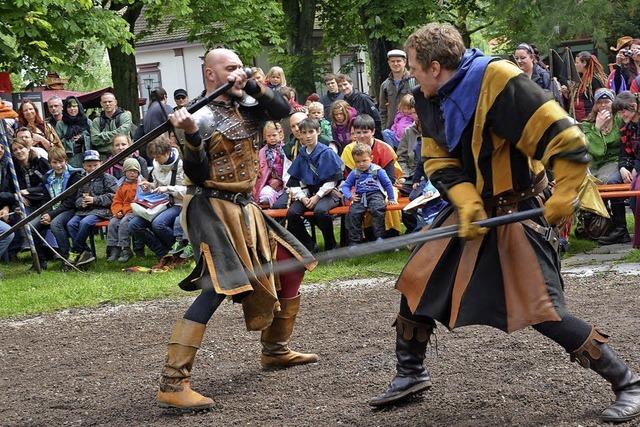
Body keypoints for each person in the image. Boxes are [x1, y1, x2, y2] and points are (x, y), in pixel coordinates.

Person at [369, 23, 640, 425]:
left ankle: (628, 383)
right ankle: (411, 373)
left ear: (437, 66)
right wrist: (463, 199)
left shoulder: (500, 81)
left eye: (414, 66)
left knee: (543, 309)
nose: (410, 73)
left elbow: (563, 135)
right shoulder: (429, 96)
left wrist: (566, 192)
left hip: (520, 208)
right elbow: (437, 157)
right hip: (475, 206)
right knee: (418, 281)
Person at [156, 48, 317, 410]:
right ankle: (173, 380)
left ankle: (275, 350)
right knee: (218, 286)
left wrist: (255, 86)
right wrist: (192, 135)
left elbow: (283, 111)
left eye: (240, 67)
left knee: (290, 261)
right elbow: (195, 173)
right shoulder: (197, 114)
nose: (238, 72)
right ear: (211, 75)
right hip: (209, 207)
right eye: (230, 68)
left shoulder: (246, 105)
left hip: (245, 205)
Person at [286, 118, 343, 252]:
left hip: (328, 193)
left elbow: (332, 180)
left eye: (311, 132)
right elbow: (294, 181)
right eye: (304, 132)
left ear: (318, 131)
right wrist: (302, 198)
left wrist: (317, 197)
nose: (308, 136)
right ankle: (309, 245)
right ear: (299, 135)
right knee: (292, 213)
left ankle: (331, 245)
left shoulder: (327, 152)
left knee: (320, 211)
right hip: (308, 194)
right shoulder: (301, 155)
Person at [341, 114, 403, 239]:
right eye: (358, 132)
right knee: (354, 202)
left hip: (384, 187)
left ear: (373, 131)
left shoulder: (384, 148)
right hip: (358, 188)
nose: (362, 135)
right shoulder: (348, 150)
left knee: (385, 201)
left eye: (365, 132)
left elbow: (390, 179)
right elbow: (347, 177)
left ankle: (391, 234)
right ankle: (360, 237)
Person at [128, 135, 185, 261]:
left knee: (158, 224)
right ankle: (163, 253)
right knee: (133, 225)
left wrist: (168, 188)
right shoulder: (156, 164)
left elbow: (188, 191)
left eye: (158, 157)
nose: (156, 160)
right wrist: (149, 185)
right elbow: (157, 185)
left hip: (179, 204)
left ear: (167, 152)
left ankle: (181, 252)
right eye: (154, 157)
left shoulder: (181, 164)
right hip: (161, 203)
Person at [581, 88, 626, 244]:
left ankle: (619, 228)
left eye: (606, 102)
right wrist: (597, 128)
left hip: (615, 161)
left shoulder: (620, 119)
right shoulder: (588, 124)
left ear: (613, 103)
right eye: (599, 102)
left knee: (607, 181)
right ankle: (599, 225)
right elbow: (592, 150)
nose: (603, 105)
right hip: (595, 165)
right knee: (587, 182)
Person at [30, 146, 83, 270]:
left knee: (55, 224)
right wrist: (46, 214)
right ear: (50, 163)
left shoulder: (74, 176)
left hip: (68, 210)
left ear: (66, 161)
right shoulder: (46, 178)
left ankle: (66, 258)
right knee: (32, 226)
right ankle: (40, 261)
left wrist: (51, 215)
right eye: (55, 162)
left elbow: (70, 202)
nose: (58, 165)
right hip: (51, 210)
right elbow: (45, 200)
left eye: (61, 162)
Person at [67, 150, 118, 267]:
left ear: (101, 163)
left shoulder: (108, 178)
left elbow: (114, 196)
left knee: (85, 223)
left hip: (102, 211)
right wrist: (82, 203)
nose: (93, 168)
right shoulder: (82, 179)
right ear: (84, 166)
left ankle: (74, 251)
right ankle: (87, 252)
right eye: (89, 166)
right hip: (84, 211)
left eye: (95, 165)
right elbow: (77, 198)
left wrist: (95, 200)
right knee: (71, 224)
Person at [341, 143, 396, 244]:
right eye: (357, 162)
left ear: (371, 158)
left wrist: (391, 198)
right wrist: (349, 196)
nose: (361, 164)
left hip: (376, 194)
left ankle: (380, 237)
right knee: (353, 214)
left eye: (364, 161)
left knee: (377, 210)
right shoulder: (354, 173)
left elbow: (388, 184)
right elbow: (345, 186)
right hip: (360, 197)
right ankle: (355, 241)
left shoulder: (378, 171)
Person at [107, 158, 140, 263]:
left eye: (135, 171)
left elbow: (141, 201)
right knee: (112, 223)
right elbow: (117, 201)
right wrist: (118, 211)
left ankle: (125, 249)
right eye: (129, 171)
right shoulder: (121, 186)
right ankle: (114, 248)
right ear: (124, 172)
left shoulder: (140, 185)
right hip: (123, 211)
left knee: (124, 223)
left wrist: (126, 211)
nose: (132, 173)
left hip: (134, 211)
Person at [336, 74, 383, 138]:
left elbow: (377, 119)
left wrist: (374, 136)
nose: (343, 88)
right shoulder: (343, 101)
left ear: (351, 84)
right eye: (340, 86)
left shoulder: (363, 98)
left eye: (345, 84)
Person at [254, 121, 288, 207]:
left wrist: (280, 181)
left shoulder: (286, 149)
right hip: (270, 184)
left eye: (274, 135)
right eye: (269, 136)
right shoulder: (262, 152)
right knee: (265, 197)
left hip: (284, 183)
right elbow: (262, 172)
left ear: (280, 134)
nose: (272, 138)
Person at [379, 49, 416, 130]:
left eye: (398, 61)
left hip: (411, 129)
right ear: (389, 63)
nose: (395, 64)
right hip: (391, 130)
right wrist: (384, 128)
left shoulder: (414, 80)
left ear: (404, 62)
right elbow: (382, 110)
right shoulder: (385, 85)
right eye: (392, 61)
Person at [567, 51, 608, 122]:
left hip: (589, 120)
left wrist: (593, 116)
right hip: (577, 120)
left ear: (584, 63)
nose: (574, 65)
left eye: (577, 62)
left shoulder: (594, 80)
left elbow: (600, 100)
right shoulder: (579, 79)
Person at [90, 92, 133, 160]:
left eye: (110, 101)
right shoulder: (96, 121)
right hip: (104, 158)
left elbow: (123, 133)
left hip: (124, 156)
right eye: (105, 102)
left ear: (115, 102)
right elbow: (95, 140)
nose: (107, 104)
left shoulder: (125, 116)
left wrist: (103, 136)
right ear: (101, 104)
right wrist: (116, 138)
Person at [55, 96, 92, 167]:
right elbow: (57, 143)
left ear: (79, 107)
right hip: (70, 159)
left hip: (87, 158)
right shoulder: (60, 124)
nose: (72, 109)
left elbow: (94, 139)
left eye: (74, 106)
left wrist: (83, 139)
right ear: (65, 109)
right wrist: (69, 140)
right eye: (69, 107)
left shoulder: (87, 122)